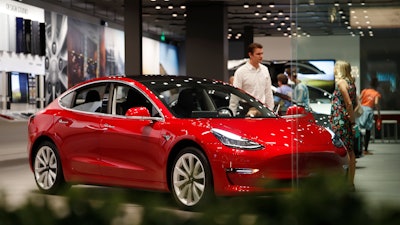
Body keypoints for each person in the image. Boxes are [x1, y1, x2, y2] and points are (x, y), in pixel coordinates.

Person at [329, 60, 357, 191]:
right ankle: (350, 182)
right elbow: (355, 104)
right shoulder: (352, 84)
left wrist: (351, 121)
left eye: (336, 67)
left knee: (342, 150)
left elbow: (349, 103)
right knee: (350, 150)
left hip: (340, 121)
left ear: (340, 69)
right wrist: (351, 119)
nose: (334, 69)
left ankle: (343, 183)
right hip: (345, 119)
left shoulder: (341, 83)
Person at [229, 43, 274, 115]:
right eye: (258, 54)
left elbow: (268, 91)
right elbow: (235, 94)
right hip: (247, 109)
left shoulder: (265, 69)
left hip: (262, 109)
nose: (261, 56)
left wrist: (271, 111)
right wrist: (232, 113)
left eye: (262, 53)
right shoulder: (241, 71)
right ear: (250, 55)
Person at [357, 77, 381, 155]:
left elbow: (359, 99)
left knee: (359, 128)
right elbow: (376, 103)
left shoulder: (365, 91)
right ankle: (365, 149)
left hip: (362, 109)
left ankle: (358, 148)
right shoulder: (376, 93)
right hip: (369, 110)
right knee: (368, 130)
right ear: (377, 85)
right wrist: (378, 114)